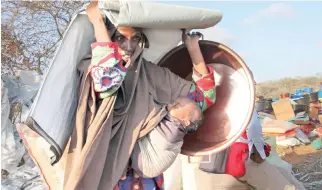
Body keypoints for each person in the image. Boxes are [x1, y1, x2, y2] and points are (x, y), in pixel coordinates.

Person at [63, 1, 216, 190]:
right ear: (109, 37)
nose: (129, 46)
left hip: (144, 181)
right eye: (120, 38)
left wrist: (192, 48)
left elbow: (204, 99)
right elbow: (107, 80)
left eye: (135, 39)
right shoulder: (92, 67)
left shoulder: (150, 74)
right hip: (105, 177)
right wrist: (98, 23)